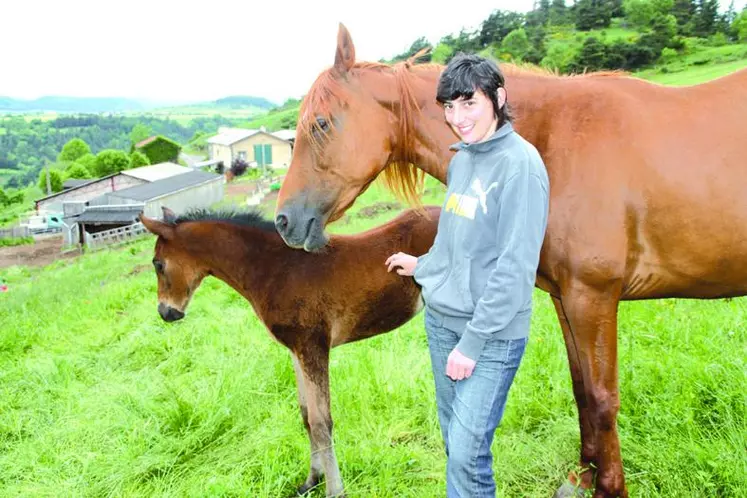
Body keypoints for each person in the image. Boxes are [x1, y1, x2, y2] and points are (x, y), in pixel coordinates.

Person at [385, 53, 550, 497]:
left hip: (489, 336)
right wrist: (425, 266)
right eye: (450, 107)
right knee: (453, 440)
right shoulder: (462, 160)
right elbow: (457, 237)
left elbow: (516, 268)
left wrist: (473, 343)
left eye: (469, 104)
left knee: (466, 452)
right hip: (442, 323)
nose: (458, 118)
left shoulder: (521, 166)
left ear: (498, 98)